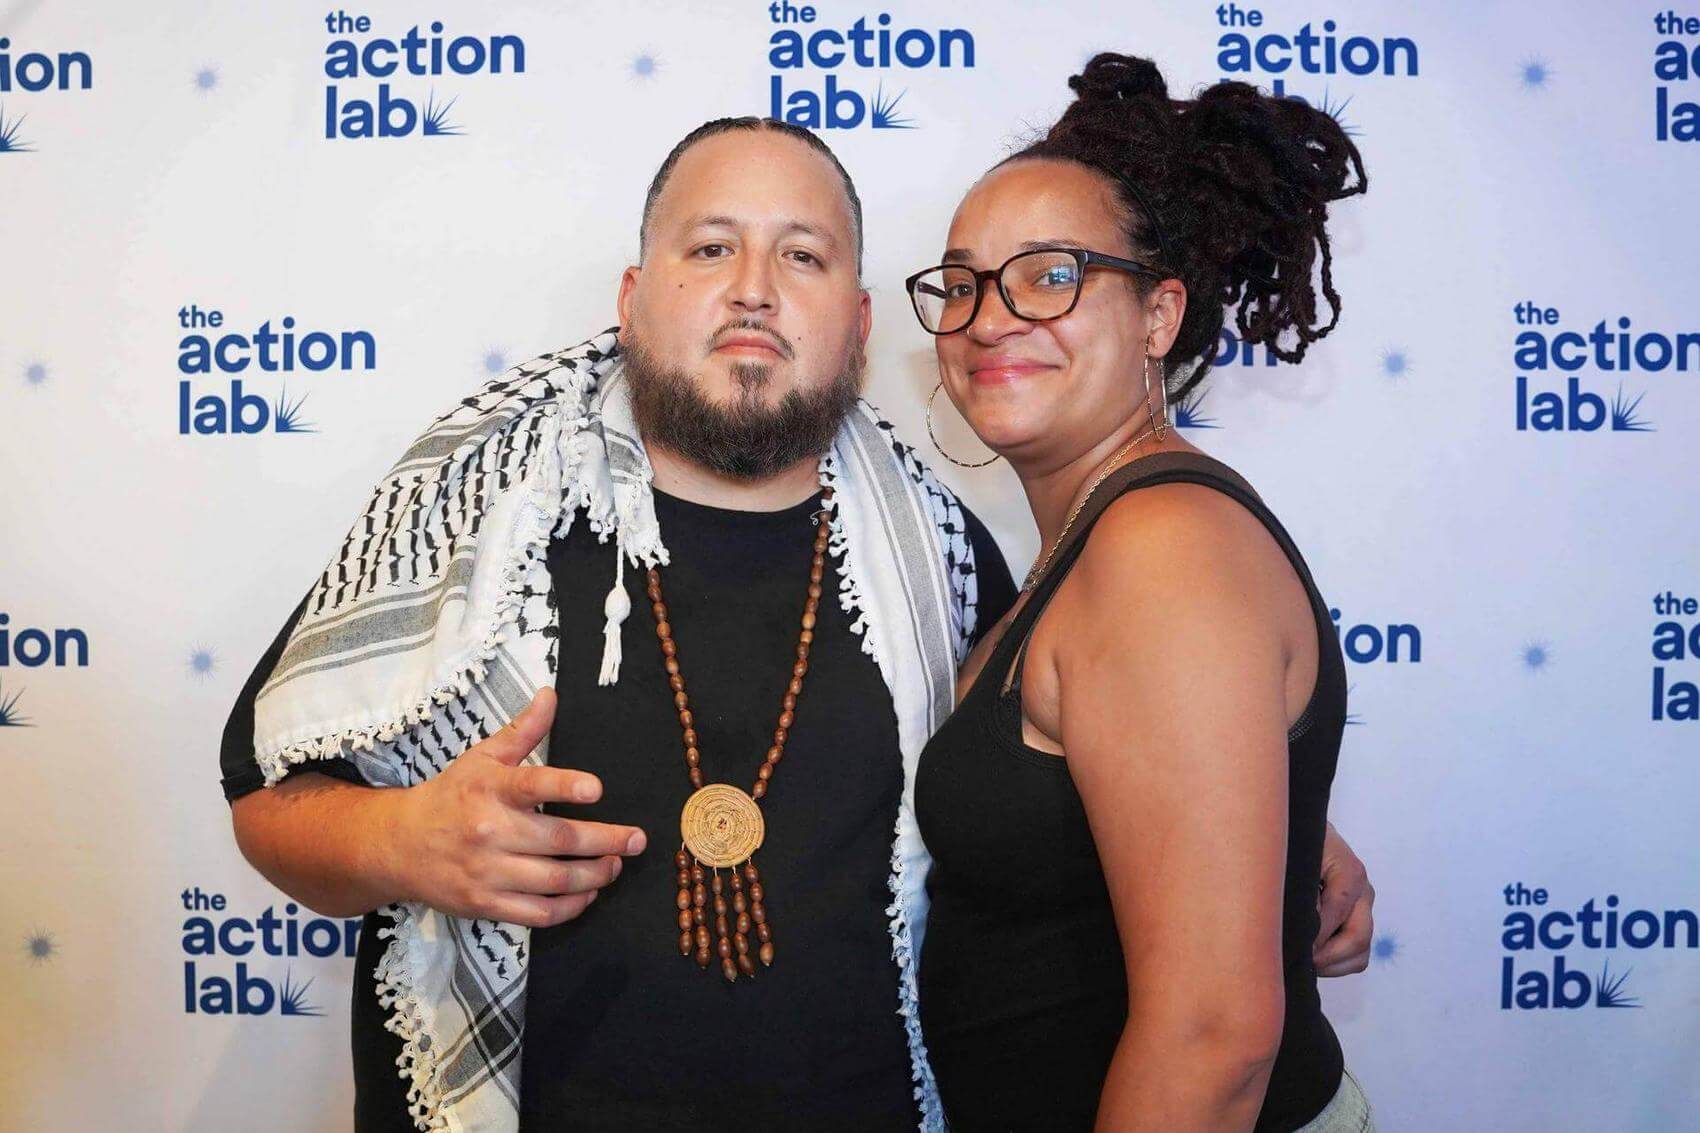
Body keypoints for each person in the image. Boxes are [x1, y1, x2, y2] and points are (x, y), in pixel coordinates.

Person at [220, 115, 1375, 1133]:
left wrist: (1265, 839)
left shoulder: (946, 560)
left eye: (803, 255)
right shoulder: (468, 524)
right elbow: (269, 804)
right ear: (633, 299)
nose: (754, 287)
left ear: (862, 323)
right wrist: (403, 840)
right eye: (711, 246)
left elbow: (1149, 821)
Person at [908, 55, 1376, 1131]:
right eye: (962, 282)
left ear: (1157, 315)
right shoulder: (1084, 544)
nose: (989, 317)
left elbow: (1210, 1037)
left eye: (1050, 275)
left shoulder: (1160, 547)